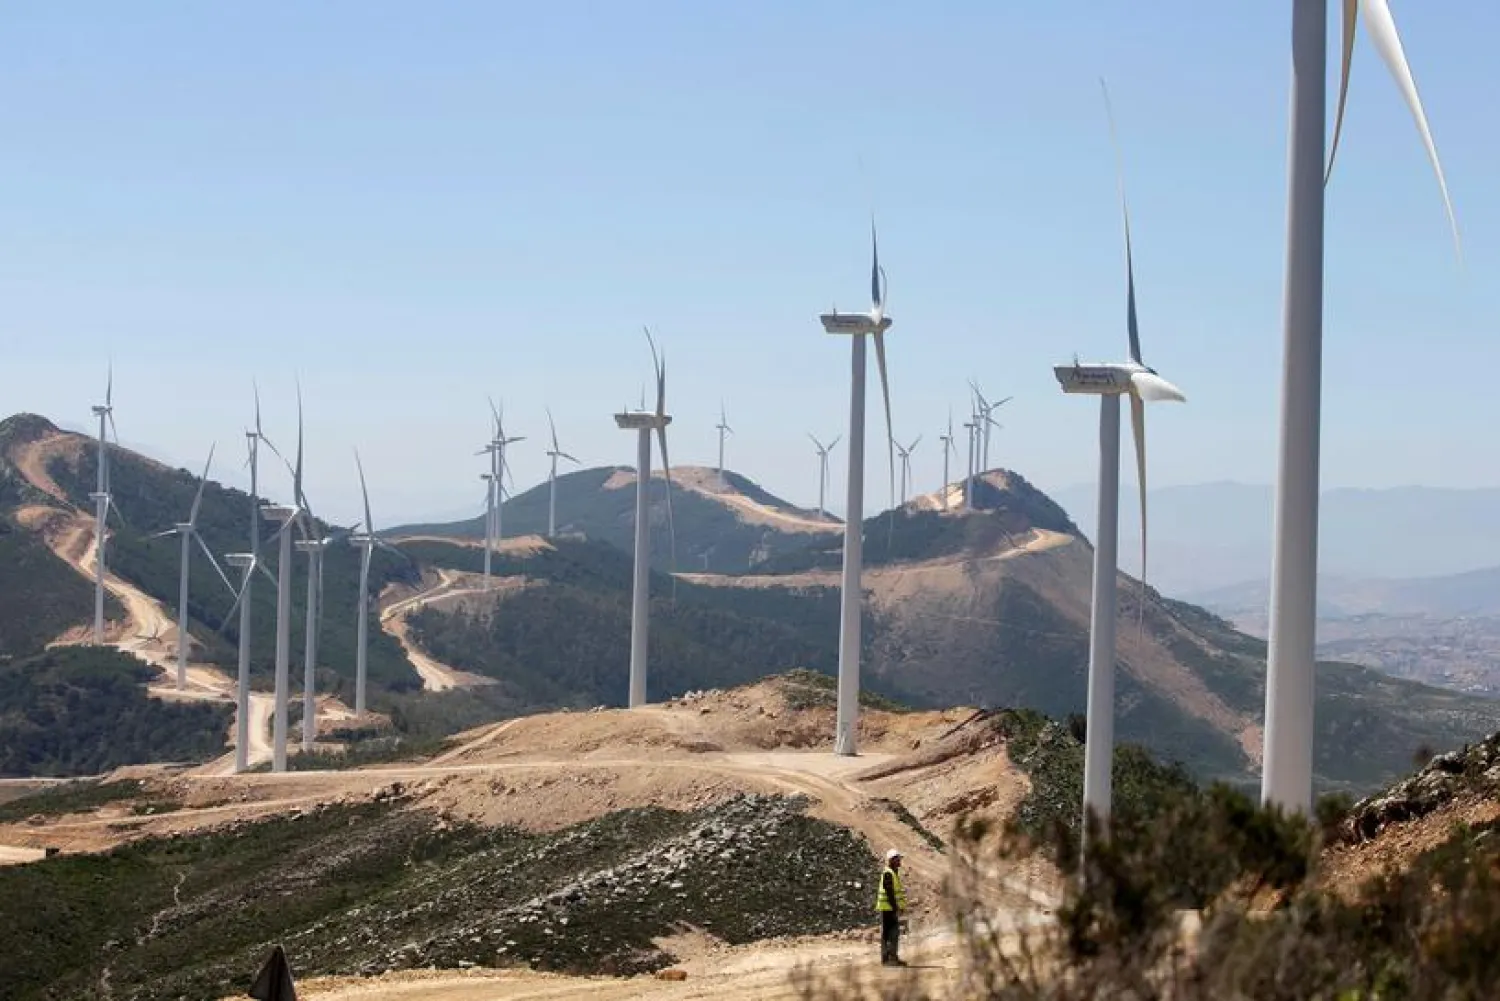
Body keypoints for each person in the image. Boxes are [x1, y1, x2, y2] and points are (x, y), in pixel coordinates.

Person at [876, 848, 907, 966]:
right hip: (888, 908)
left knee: (888, 933)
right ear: (892, 860)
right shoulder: (888, 873)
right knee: (891, 933)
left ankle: (888, 958)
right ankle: (890, 959)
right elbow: (889, 892)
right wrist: (895, 908)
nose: (900, 861)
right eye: (898, 859)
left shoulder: (892, 872)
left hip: (888, 908)